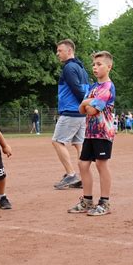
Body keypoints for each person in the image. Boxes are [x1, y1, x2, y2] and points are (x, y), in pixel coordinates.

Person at [68, 51, 116, 216]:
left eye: (99, 64)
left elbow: (93, 110)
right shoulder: (94, 88)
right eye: (94, 65)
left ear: (109, 67)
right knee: (83, 164)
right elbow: (82, 109)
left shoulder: (107, 87)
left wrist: (87, 103)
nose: (95, 67)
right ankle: (87, 201)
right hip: (90, 133)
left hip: (103, 133)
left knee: (101, 165)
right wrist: (87, 103)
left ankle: (105, 202)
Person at [52, 39, 90, 189]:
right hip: (81, 114)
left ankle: (71, 175)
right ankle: (83, 176)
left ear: (69, 51)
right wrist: (86, 107)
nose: (57, 53)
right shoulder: (82, 69)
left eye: (60, 51)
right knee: (78, 144)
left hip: (71, 112)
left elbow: (77, 90)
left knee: (57, 141)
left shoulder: (69, 68)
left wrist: (85, 103)